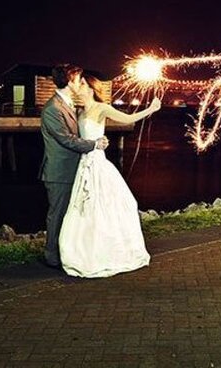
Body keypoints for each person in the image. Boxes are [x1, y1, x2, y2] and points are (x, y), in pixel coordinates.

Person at [58, 73, 161, 278]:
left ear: (90, 87)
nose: (79, 86)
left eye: (82, 83)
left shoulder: (101, 108)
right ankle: (83, 252)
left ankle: (106, 252)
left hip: (97, 163)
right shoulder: (78, 111)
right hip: (84, 164)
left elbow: (127, 119)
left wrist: (151, 109)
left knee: (105, 206)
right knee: (84, 209)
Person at [39, 64, 110, 269]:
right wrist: (94, 144)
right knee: (58, 214)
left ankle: (68, 252)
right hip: (59, 172)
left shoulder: (69, 104)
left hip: (75, 169)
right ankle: (51, 256)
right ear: (69, 82)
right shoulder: (52, 108)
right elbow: (66, 139)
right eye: (79, 80)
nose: (81, 83)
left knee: (72, 215)